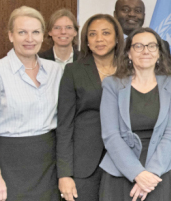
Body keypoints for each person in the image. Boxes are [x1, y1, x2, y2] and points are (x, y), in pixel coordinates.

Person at [0, 6, 63, 201]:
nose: (29, 39)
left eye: (35, 32)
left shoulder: (56, 71)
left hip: (48, 164)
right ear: (11, 36)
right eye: (22, 32)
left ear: (43, 36)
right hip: (8, 163)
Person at [98, 28, 171, 201]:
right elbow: (110, 135)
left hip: (160, 173)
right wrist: (137, 173)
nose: (145, 51)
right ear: (129, 53)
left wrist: (149, 175)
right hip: (120, 173)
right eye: (138, 46)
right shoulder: (112, 85)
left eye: (151, 46)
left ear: (159, 53)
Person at [56, 14, 124, 201]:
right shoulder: (73, 71)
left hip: (124, 161)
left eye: (105, 33)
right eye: (92, 34)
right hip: (84, 164)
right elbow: (64, 125)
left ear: (117, 38)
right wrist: (64, 174)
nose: (99, 39)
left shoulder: (130, 70)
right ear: (86, 40)